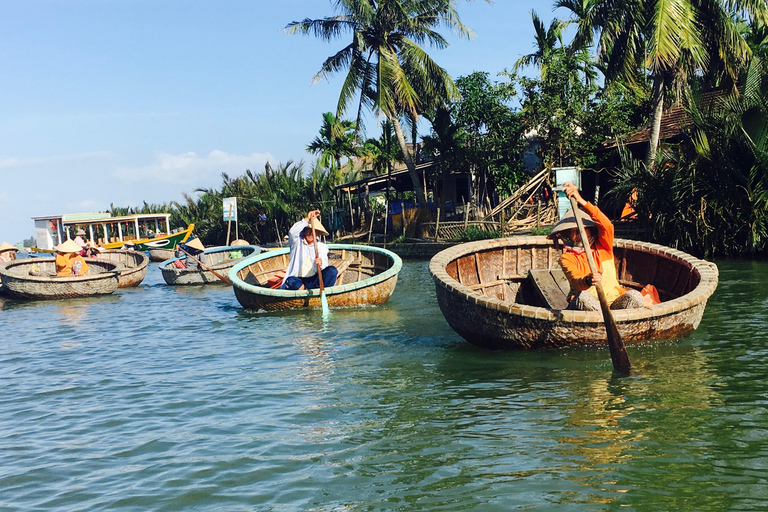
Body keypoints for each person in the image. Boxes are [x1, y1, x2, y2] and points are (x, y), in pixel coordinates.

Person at [547, 182, 643, 311]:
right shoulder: (567, 258)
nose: (579, 234)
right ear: (566, 236)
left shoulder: (602, 246)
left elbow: (607, 226)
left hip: (613, 305)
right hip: (587, 307)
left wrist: (580, 200)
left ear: (590, 230)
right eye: (573, 232)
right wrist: (587, 280)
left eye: (581, 230)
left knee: (635, 296)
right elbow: (576, 280)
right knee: (584, 297)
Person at [282, 210, 338, 290]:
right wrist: (307, 218)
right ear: (304, 232)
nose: (310, 234)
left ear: (317, 234)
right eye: (308, 231)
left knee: (332, 271)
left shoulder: (321, 246)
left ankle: (324, 292)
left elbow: (324, 262)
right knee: (290, 281)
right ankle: (304, 289)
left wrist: (320, 262)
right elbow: (292, 232)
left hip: (315, 279)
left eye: (313, 232)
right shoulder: (297, 243)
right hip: (299, 279)